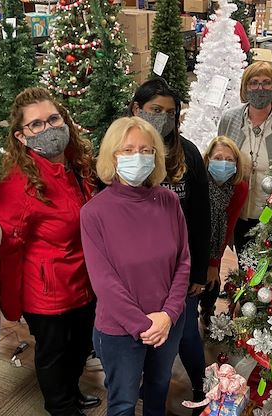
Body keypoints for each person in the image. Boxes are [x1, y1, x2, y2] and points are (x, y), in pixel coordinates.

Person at [0, 87, 100, 416]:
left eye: (53, 119)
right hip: (48, 294)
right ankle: (61, 406)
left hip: (84, 283)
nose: (48, 128)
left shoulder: (77, 167)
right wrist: (10, 303)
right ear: (22, 136)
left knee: (80, 347)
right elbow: (8, 251)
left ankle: (71, 392)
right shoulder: (17, 186)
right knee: (54, 353)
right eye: (36, 124)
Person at [81, 117, 190, 416]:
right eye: (127, 150)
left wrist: (167, 316)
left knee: (158, 390)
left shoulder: (169, 201)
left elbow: (183, 262)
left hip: (168, 323)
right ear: (112, 156)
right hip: (120, 329)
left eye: (145, 149)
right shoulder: (94, 213)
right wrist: (146, 327)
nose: (137, 156)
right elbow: (104, 282)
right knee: (124, 402)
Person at [128, 77, 211, 410]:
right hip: (137, 274)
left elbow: (202, 217)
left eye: (170, 112)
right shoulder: (124, 154)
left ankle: (200, 386)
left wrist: (201, 272)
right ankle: (146, 388)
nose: (163, 117)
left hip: (181, 272)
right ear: (137, 109)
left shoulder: (187, 153)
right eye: (155, 110)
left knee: (186, 334)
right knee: (141, 336)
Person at [217, 61, 272, 253]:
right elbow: (218, 159)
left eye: (266, 82)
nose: (260, 88)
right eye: (253, 82)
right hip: (239, 212)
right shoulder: (230, 119)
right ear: (245, 87)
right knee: (244, 265)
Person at [199, 136, 248, 323]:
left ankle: (207, 310)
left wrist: (213, 262)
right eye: (218, 158)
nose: (224, 164)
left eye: (229, 160)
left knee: (212, 281)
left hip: (216, 240)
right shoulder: (199, 181)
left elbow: (228, 226)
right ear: (208, 158)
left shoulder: (239, 188)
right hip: (193, 240)